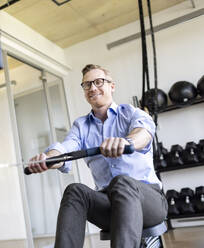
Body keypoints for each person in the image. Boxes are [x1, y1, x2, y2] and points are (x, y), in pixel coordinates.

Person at [27, 64, 168, 248]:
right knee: (75, 190)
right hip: (109, 205)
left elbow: (144, 133)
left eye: (99, 82)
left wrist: (127, 142)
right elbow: (65, 149)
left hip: (149, 202)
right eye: (87, 85)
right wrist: (49, 158)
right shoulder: (81, 126)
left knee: (122, 181)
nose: (93, 88)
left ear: (112, 86)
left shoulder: (132, 113)